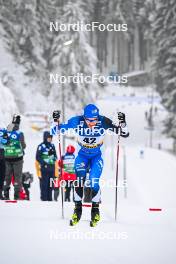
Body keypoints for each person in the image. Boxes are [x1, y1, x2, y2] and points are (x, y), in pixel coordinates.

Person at [51, 104, 129, 226]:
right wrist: (55, 121)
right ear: (85, 117)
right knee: (79, 180)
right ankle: (77, 210)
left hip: (97, 156)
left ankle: (95, 210)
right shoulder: (77, 121)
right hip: (82, 156)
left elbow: (124, 133)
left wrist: (122, 123)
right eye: (90, 120)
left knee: (94, 181)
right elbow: (55, 130)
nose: (93, 122)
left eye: (95, 119)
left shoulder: (103, 121)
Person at [3, 115, 26, 200]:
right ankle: (16, 196)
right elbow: (23, 146)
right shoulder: (20, 133)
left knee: (6, 176)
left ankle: (5, 195)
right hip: (18, 159)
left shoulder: (6, 132)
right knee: (17, 176)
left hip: (7, 157)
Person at [36, 131, 58, 201]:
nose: (50, 139)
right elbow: (38, 157)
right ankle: (44, 199)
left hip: (52, 168)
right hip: (44, 169)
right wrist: (43, 163)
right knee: (44, 185)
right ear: (45, 138)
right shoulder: (41, 146)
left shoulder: (52, 146)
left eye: (51, 138)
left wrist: (54, 158)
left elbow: (55, 156)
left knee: (50, 185)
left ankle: (50, 199)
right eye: (48, 138)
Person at [0, 128, 7, 199]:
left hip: (2, 153)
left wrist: (5, 137)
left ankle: (0, 193)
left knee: (2, 174)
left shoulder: (3, 130)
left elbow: (6, 142)